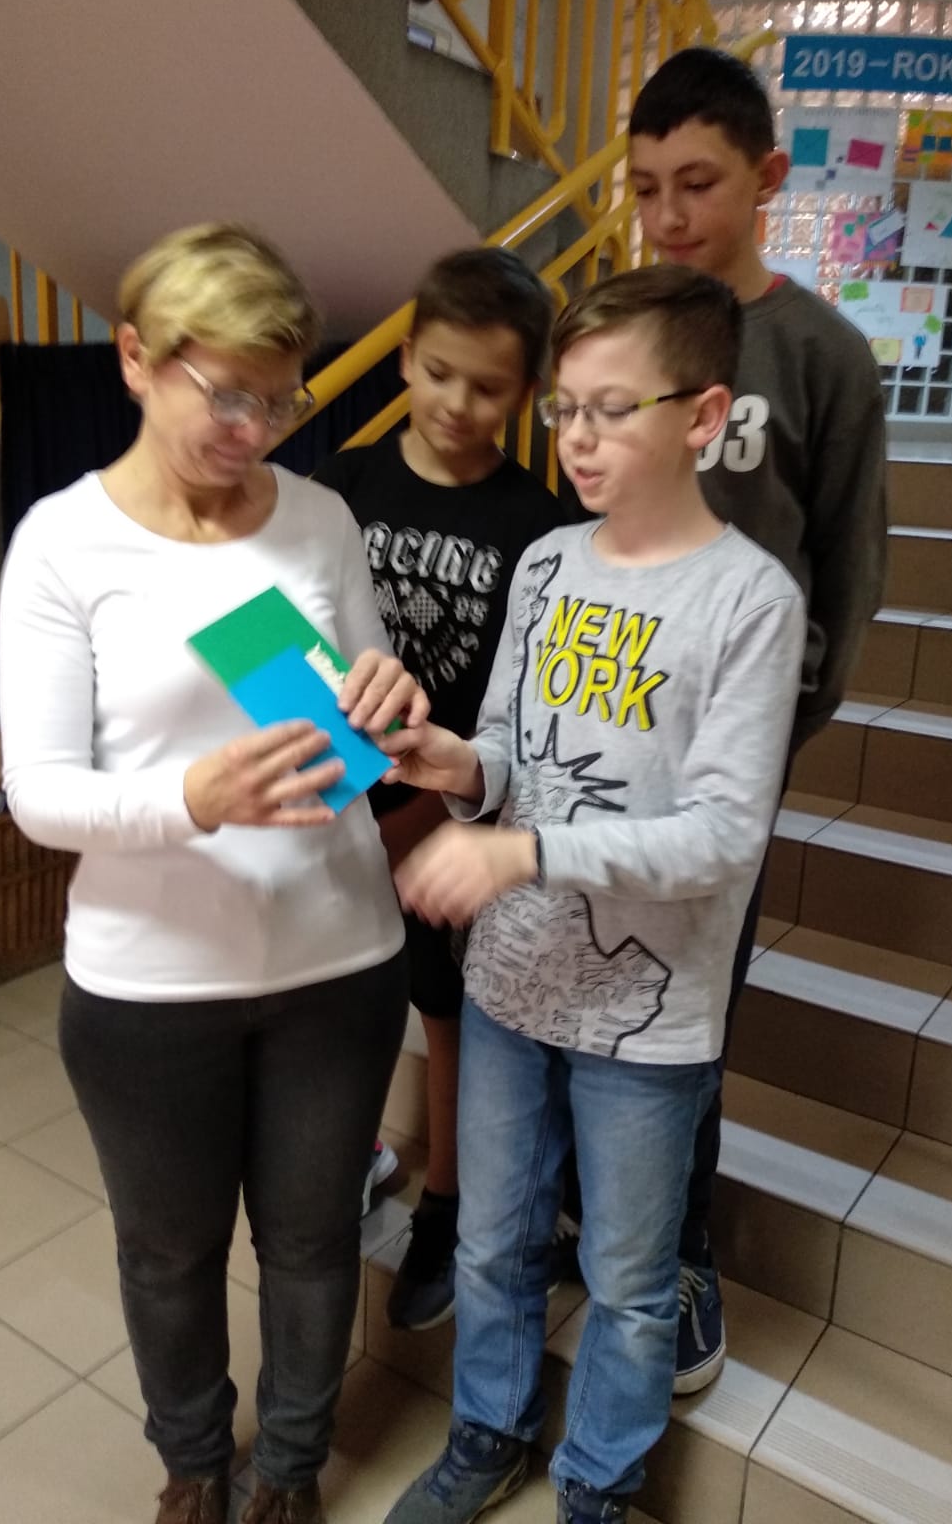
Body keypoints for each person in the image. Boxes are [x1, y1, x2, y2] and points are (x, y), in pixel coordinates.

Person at [0, 223, 428, 1524]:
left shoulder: (322, 519)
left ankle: (289, 1464)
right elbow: (39, 794)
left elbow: (365, 719)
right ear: (137, 358)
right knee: (168, 1250)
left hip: (337, 958)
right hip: (148, 984)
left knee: (311, 1240)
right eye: (227, 393)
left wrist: (388, 700)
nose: (255, 428)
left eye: (279, 398)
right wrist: (190, 799)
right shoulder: (63, 544)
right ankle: (193, 1458)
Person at [380, 266, 805, 1524]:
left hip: (647, 1018)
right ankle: (486, 1432)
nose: (576, 438)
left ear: (703, 414)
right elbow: (511, 753)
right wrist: (458, 769)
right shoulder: (549, 562)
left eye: (614, 409)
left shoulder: (751, 600)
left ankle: (600, 1484)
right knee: (493, 1240)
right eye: (565, 408)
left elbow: (721, 836)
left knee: (627, 1278)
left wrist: (521, 855)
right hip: (510, 984)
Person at [617, 45, 888, 1393]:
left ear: (768, 177)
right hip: (602, 720)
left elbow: (846, 567)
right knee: (595, 967)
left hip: (728, 749)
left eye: (699, 183)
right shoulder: (618, 332)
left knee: (693, 1003)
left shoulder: (822, 352)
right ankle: (594, 1213)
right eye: (646, 188)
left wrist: (770, 731)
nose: (670, 216)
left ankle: (679, 1253)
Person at [316, 248, 563, 1331]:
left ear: (527, 393)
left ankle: (448, 1207)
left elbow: (514, 715)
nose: (459, 403)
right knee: (335, 1004)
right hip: (331, 805)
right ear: (407, 357)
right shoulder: (342, 485)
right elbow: (293, 636)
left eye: (489, 386)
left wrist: (422, 814)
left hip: (451, 815)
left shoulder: (540, 526)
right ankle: (355, 1156)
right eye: (442, 372)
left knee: (445, 1010)